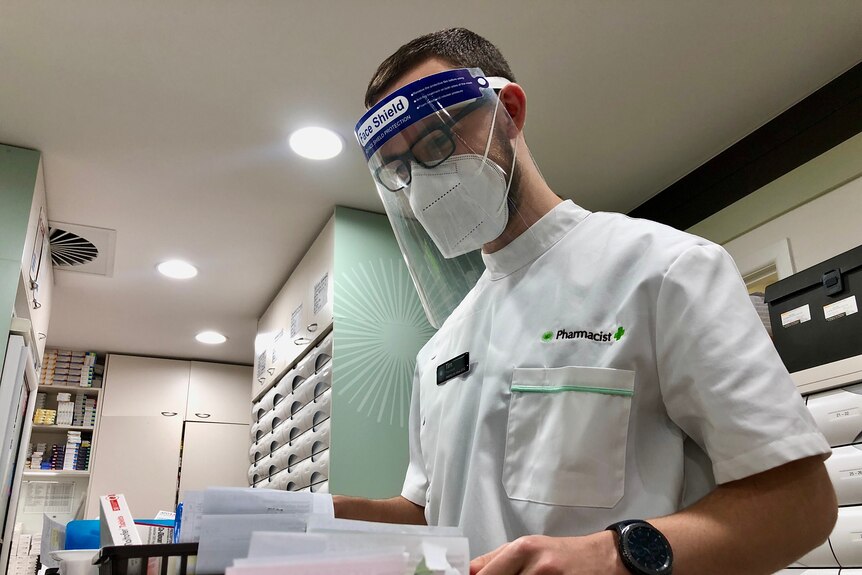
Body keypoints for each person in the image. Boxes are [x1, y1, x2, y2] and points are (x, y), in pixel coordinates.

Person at [335, 28, 837, 575]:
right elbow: (431, 513)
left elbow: (801, 506)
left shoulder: (663, 269)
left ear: (508, 111)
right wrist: (329, 517)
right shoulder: (439, 351)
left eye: (436, 142)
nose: (423, 184)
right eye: (400, 168)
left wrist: (615, 556)